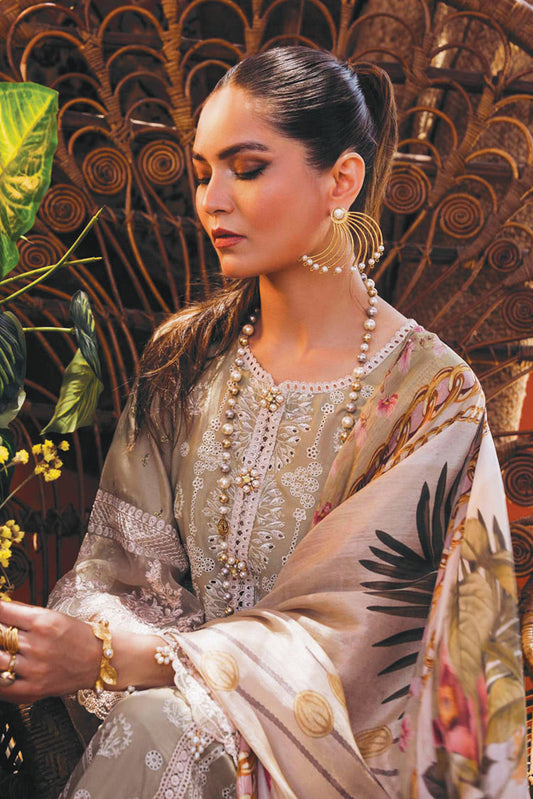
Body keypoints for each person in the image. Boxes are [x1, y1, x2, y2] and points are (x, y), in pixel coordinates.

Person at [0, 47, 527, 799]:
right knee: (155, 723)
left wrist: (125, 659)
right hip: (162, 724)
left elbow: (365, 650)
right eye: (201, 172)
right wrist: (95, 643)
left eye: (246, 168)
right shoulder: (185, 361)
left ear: (341, 181)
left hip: (343, 754)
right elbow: (115, 571)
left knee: (160, 725)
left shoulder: (429, 398)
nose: (212, 200)